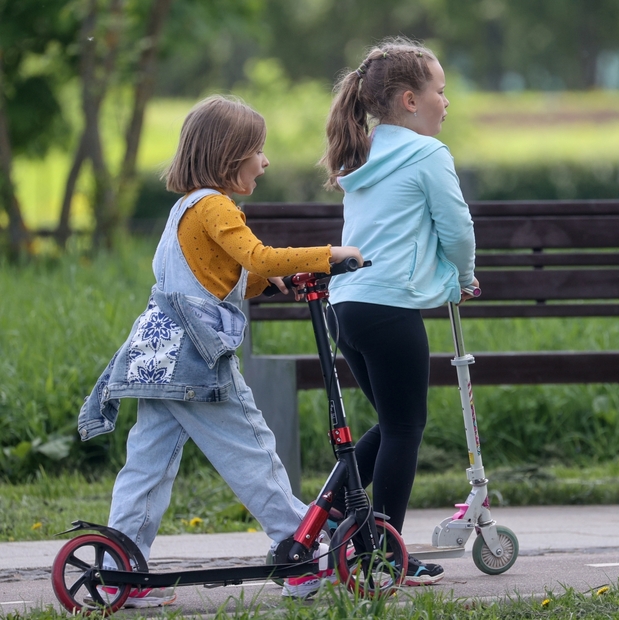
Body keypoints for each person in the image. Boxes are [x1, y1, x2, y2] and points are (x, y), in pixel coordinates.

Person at [76, 94, 362, 607]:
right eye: (258, 150)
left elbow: (213, 278)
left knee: (146, 466)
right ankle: (301, 547)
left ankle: (119, 566)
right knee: (252, 453)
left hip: (156, 357)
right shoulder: (215, 206)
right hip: (198, 359)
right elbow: (257, 255)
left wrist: (265, 285)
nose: (265, 161)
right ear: (231, 157)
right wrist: (329, 253)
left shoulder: (183, 209)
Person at [319, 36, 478, 586]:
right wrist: (463, 277)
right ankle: (384, 551)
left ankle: (331, 512)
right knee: (406, 427)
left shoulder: (360, 157)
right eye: (440, 90)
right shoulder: (429, 154)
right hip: (388, 309)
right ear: (410, 100)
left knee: (391, 422)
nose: (446, 101)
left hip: (347, 309)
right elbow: (456, 228)